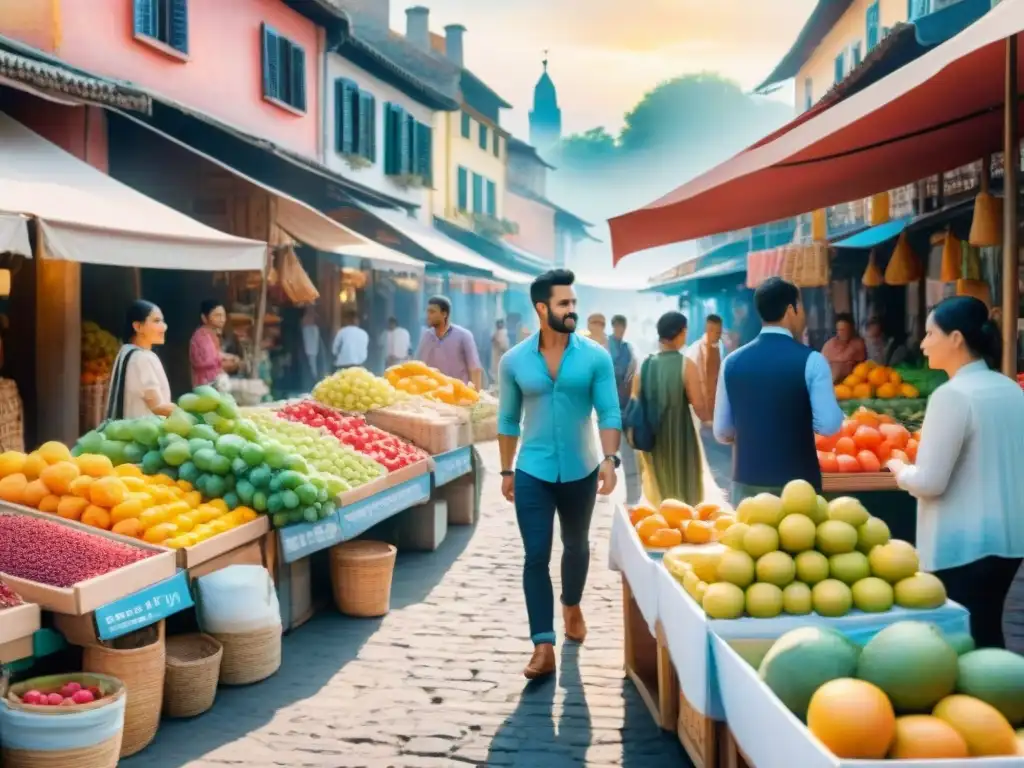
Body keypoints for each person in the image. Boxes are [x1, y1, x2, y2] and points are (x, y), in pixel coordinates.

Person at [497, 269, 621, 680]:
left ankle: (571, 604)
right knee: (535, 555)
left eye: (573, 303)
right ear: (541, 308)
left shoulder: (595, 356)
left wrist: (609, 459)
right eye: (564, 304)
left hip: (582, 468)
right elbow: (508, 418)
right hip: (532, 469)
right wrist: (506, 469)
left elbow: (609, 411)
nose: (572, 310)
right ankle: (543, 645)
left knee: (576, 546)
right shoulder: (513, 360)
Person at [885, 296, 1024, 649]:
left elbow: (930, 482)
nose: (923, 343)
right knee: (989, 632)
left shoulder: (952, 395)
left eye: (931, 333)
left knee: (962, 644)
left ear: (957, 338)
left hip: (963, 544)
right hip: (1008, 541)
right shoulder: (1010, 389)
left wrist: (900, 469)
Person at [714, 277, 844, 502]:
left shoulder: (731, 362)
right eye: (801, 307)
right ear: (790, 310)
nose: (803, 315)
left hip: (747, 487)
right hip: (799, 488)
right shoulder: (812, 360)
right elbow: (829, 426)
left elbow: (722, 432)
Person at [632, 312, 710, 506]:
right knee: (684, 496)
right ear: (681, 332)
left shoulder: (645, 364)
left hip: (652, 439)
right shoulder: (686, 364)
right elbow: (699, 407)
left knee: (660, 497)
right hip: (680, 440)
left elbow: (635, 400)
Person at [106, 300, 174, 420]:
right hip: (144, 435)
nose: (164, 327)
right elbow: (158, 407)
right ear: (138, 326)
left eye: (162, 321)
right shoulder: (143, 358)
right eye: (157, 321)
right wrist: (190, 411)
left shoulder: (125, 351)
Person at [416, 295, 483, 390]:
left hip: (459, 396)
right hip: (433, 396)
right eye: (427, 311)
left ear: (444, 314)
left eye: (432, 312)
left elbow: (475, 369)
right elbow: (418, 366)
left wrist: (476, 396)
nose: (428, 315)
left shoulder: (463, 336)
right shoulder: (427, 336)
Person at [608, 315, 640, 505]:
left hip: (626, 406)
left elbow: (633, 371)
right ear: (613, 327)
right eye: (618, 326)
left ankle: (632, 497)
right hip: (609, 406)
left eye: (623, 327)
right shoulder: (606, 346)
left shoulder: (628, 348)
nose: (620, 330)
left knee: (628, 452)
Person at [189, 300, 239, 389]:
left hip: (214, 381)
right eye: (217, 315)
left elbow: (215, 355)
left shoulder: (212, 334)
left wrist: (229, 357)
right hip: (205, 384)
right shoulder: (201, 336)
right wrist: (229, 362)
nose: (222, 319)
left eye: (223, 315)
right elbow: (209, 361)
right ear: (204, 318)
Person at [686, 314, 726, 417]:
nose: (717, 335)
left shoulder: (722, 346)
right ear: (708, 329)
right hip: (700, 406)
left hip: (718, 403)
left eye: (719, 332)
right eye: (714, 331)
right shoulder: (694, 351)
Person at [821, 313, 867, 383]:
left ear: (851, 329)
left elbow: (862, 367)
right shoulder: (829, 345)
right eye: (840, 330)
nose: (842, 333)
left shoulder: (858, 344)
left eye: (845, 330)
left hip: (851, 382)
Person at [301, 307, 326, 390]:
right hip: (309, 350)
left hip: (312, 350)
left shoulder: (314, 328)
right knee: (311, 369)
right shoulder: (307, 327)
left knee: (313, 369)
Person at [490, 318, 510, 385]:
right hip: (498, 356)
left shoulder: (502, 332)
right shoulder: (499, 333)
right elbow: (503, 346)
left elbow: (504, 346)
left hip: (500, 357)